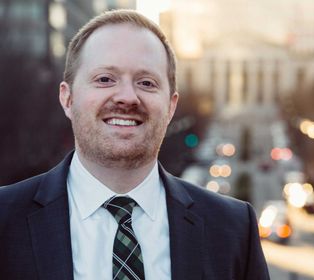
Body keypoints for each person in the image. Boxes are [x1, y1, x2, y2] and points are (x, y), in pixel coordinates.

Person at [0, 9, 269, 280]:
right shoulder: (5, 220)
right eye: (105, 79)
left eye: (146, 82)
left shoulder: (233, 230)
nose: (127, 97)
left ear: (171, 106)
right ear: (68, 99)